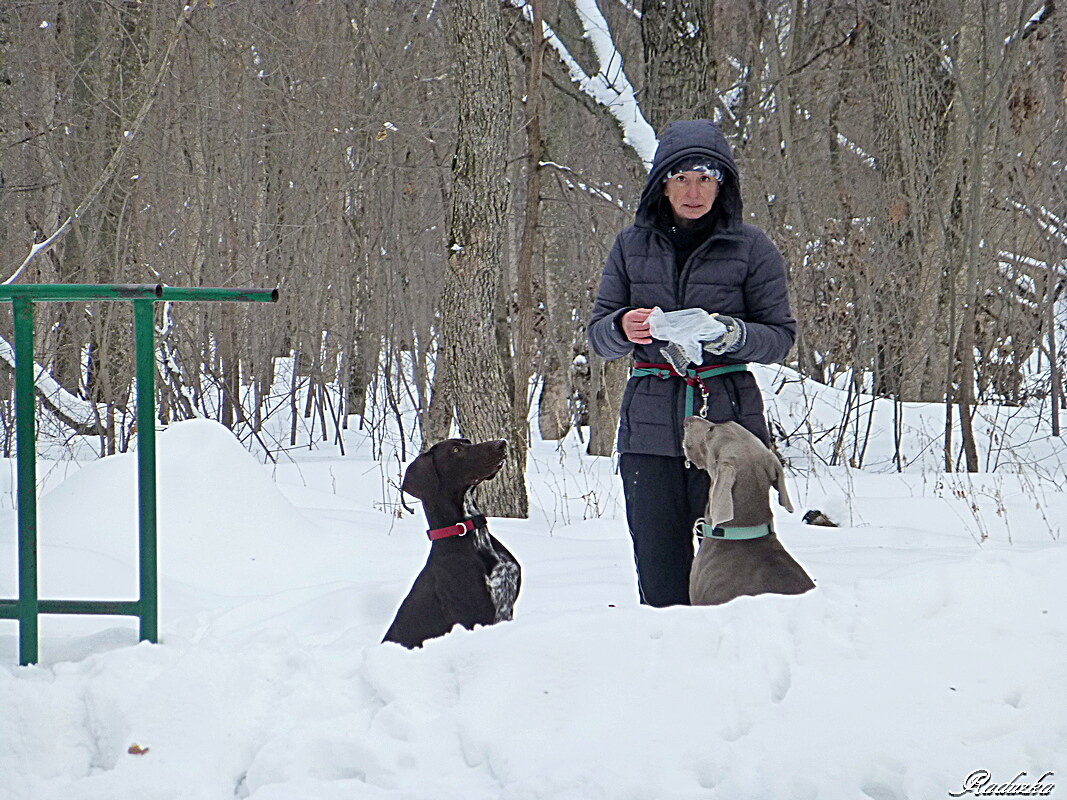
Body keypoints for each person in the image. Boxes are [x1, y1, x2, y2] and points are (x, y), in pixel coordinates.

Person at [587, 119, 796, 607]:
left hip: (729, 434)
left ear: (722, 183)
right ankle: (666, 675)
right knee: (660, 580)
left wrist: (730, 333)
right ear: (662, 183)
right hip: (649, 434)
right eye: (681, 177)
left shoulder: (752, 248)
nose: (693, 190)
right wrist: (623, 328)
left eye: (705, 177)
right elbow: (599, 335)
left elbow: (779, 338)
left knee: (734, 580)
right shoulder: (630, 246)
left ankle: (736, 675)